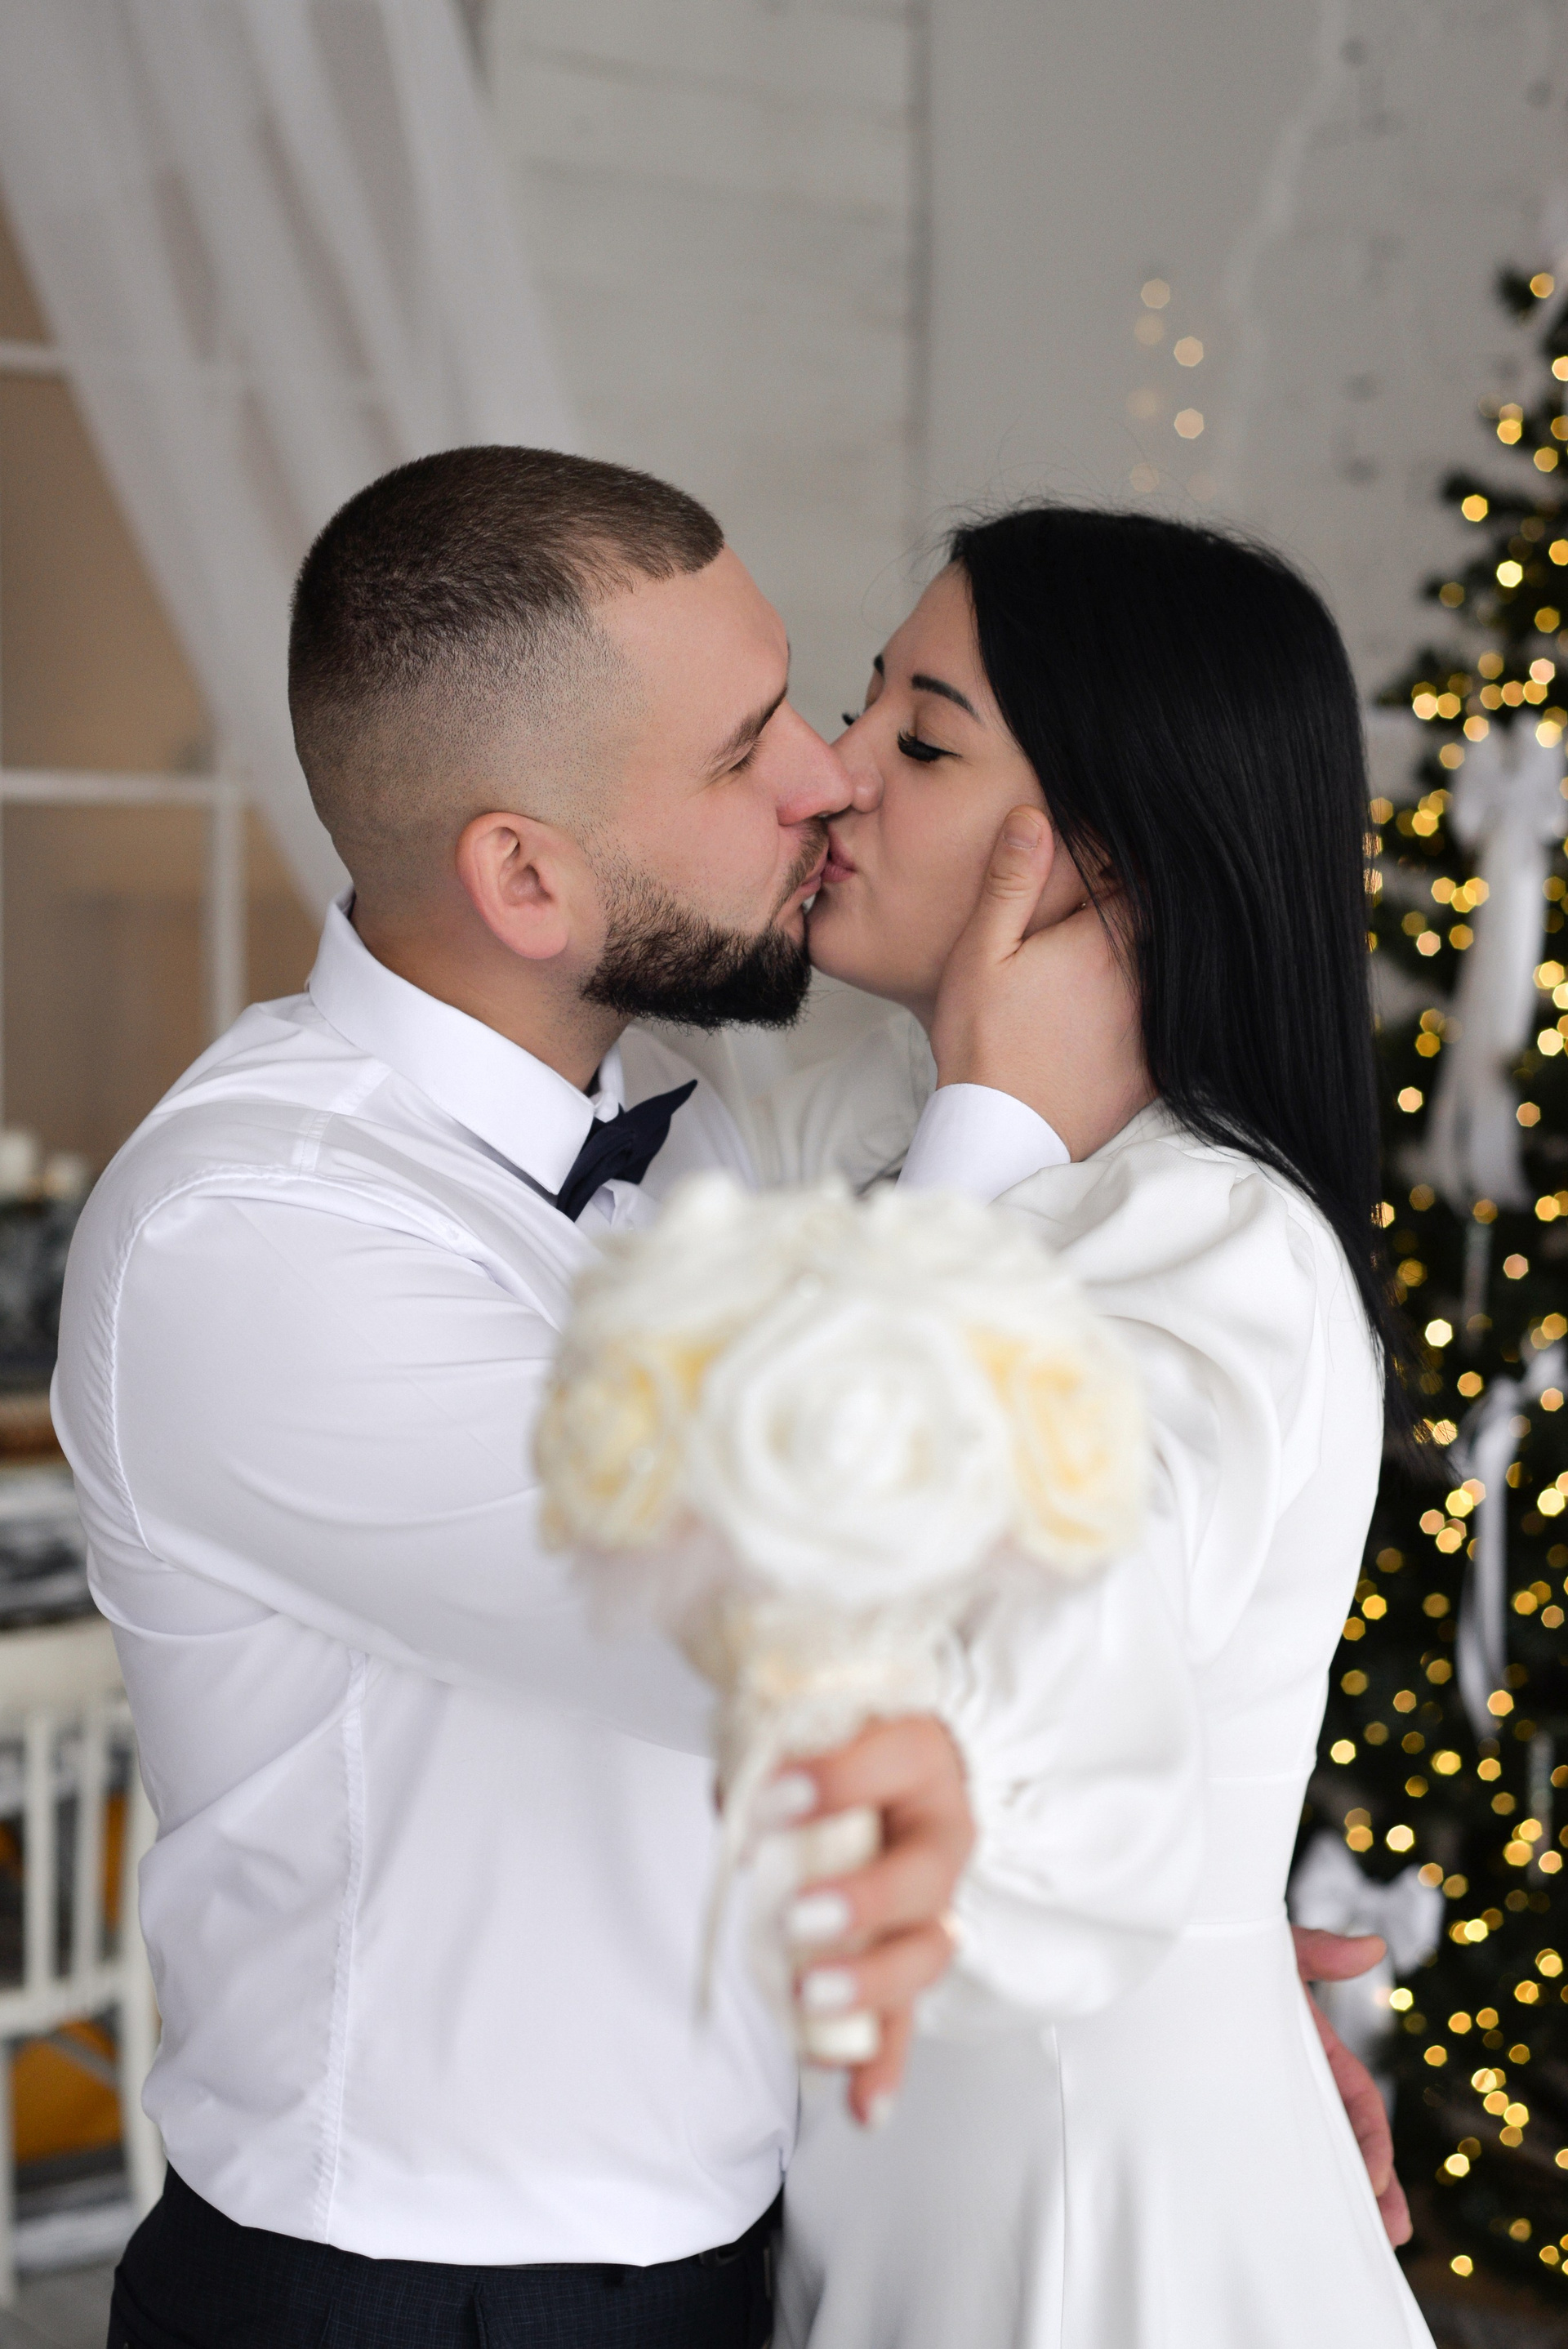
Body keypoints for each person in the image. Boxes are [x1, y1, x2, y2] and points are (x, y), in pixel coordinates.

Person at [56, 449, 1400, 2348]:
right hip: (414, 2298)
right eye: (751, 744)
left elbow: (1099, 1629)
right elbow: (833, 1625)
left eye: (855, 718)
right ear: (526, 875)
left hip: (819, 2235)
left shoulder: (752, 1143)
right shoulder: (259, 1240)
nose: (824, 778)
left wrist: (1190, 1965)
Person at [759, 506, 1435, 2347]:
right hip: (900, 2162)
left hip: (1078, 2192)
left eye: (922, 740)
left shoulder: (1216, 1239)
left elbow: (1007, 1635)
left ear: (1101, 858)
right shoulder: (859, 1133)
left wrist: (984, 1136)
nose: (834, 771)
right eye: (865, 703)